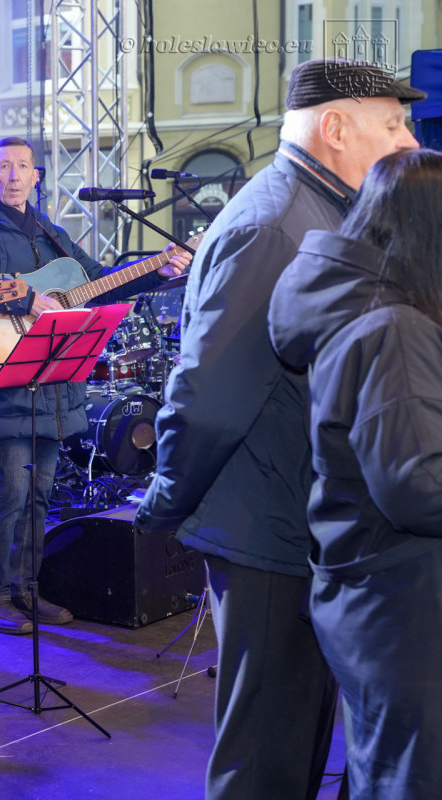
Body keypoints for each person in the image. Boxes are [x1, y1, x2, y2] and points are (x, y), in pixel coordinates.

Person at [134, 58, 423, 799]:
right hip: (264, 528)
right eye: (392, 124)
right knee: (265, 755)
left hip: (297, 519)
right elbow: (209, 395)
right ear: (334, 128)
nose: (409, 139)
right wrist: (167, 500)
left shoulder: (321, 206)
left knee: (298, 739)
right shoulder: (274, 223)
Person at [0, 136, 190, 635]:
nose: (14, 175)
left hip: (53, 383)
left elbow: (103, 280)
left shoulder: (52, 233)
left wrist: (155, 271)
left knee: (39, 494)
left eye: (24, 167)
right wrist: (26, 299)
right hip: (5, 378)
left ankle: (29, 590)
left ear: (37, 177)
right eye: (5, 167)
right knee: (9, 494)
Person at [269, 148, 442, 799]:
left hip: (382, 598)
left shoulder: (386, 319)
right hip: (403, 605)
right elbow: (417, 488)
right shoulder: (396, 331)